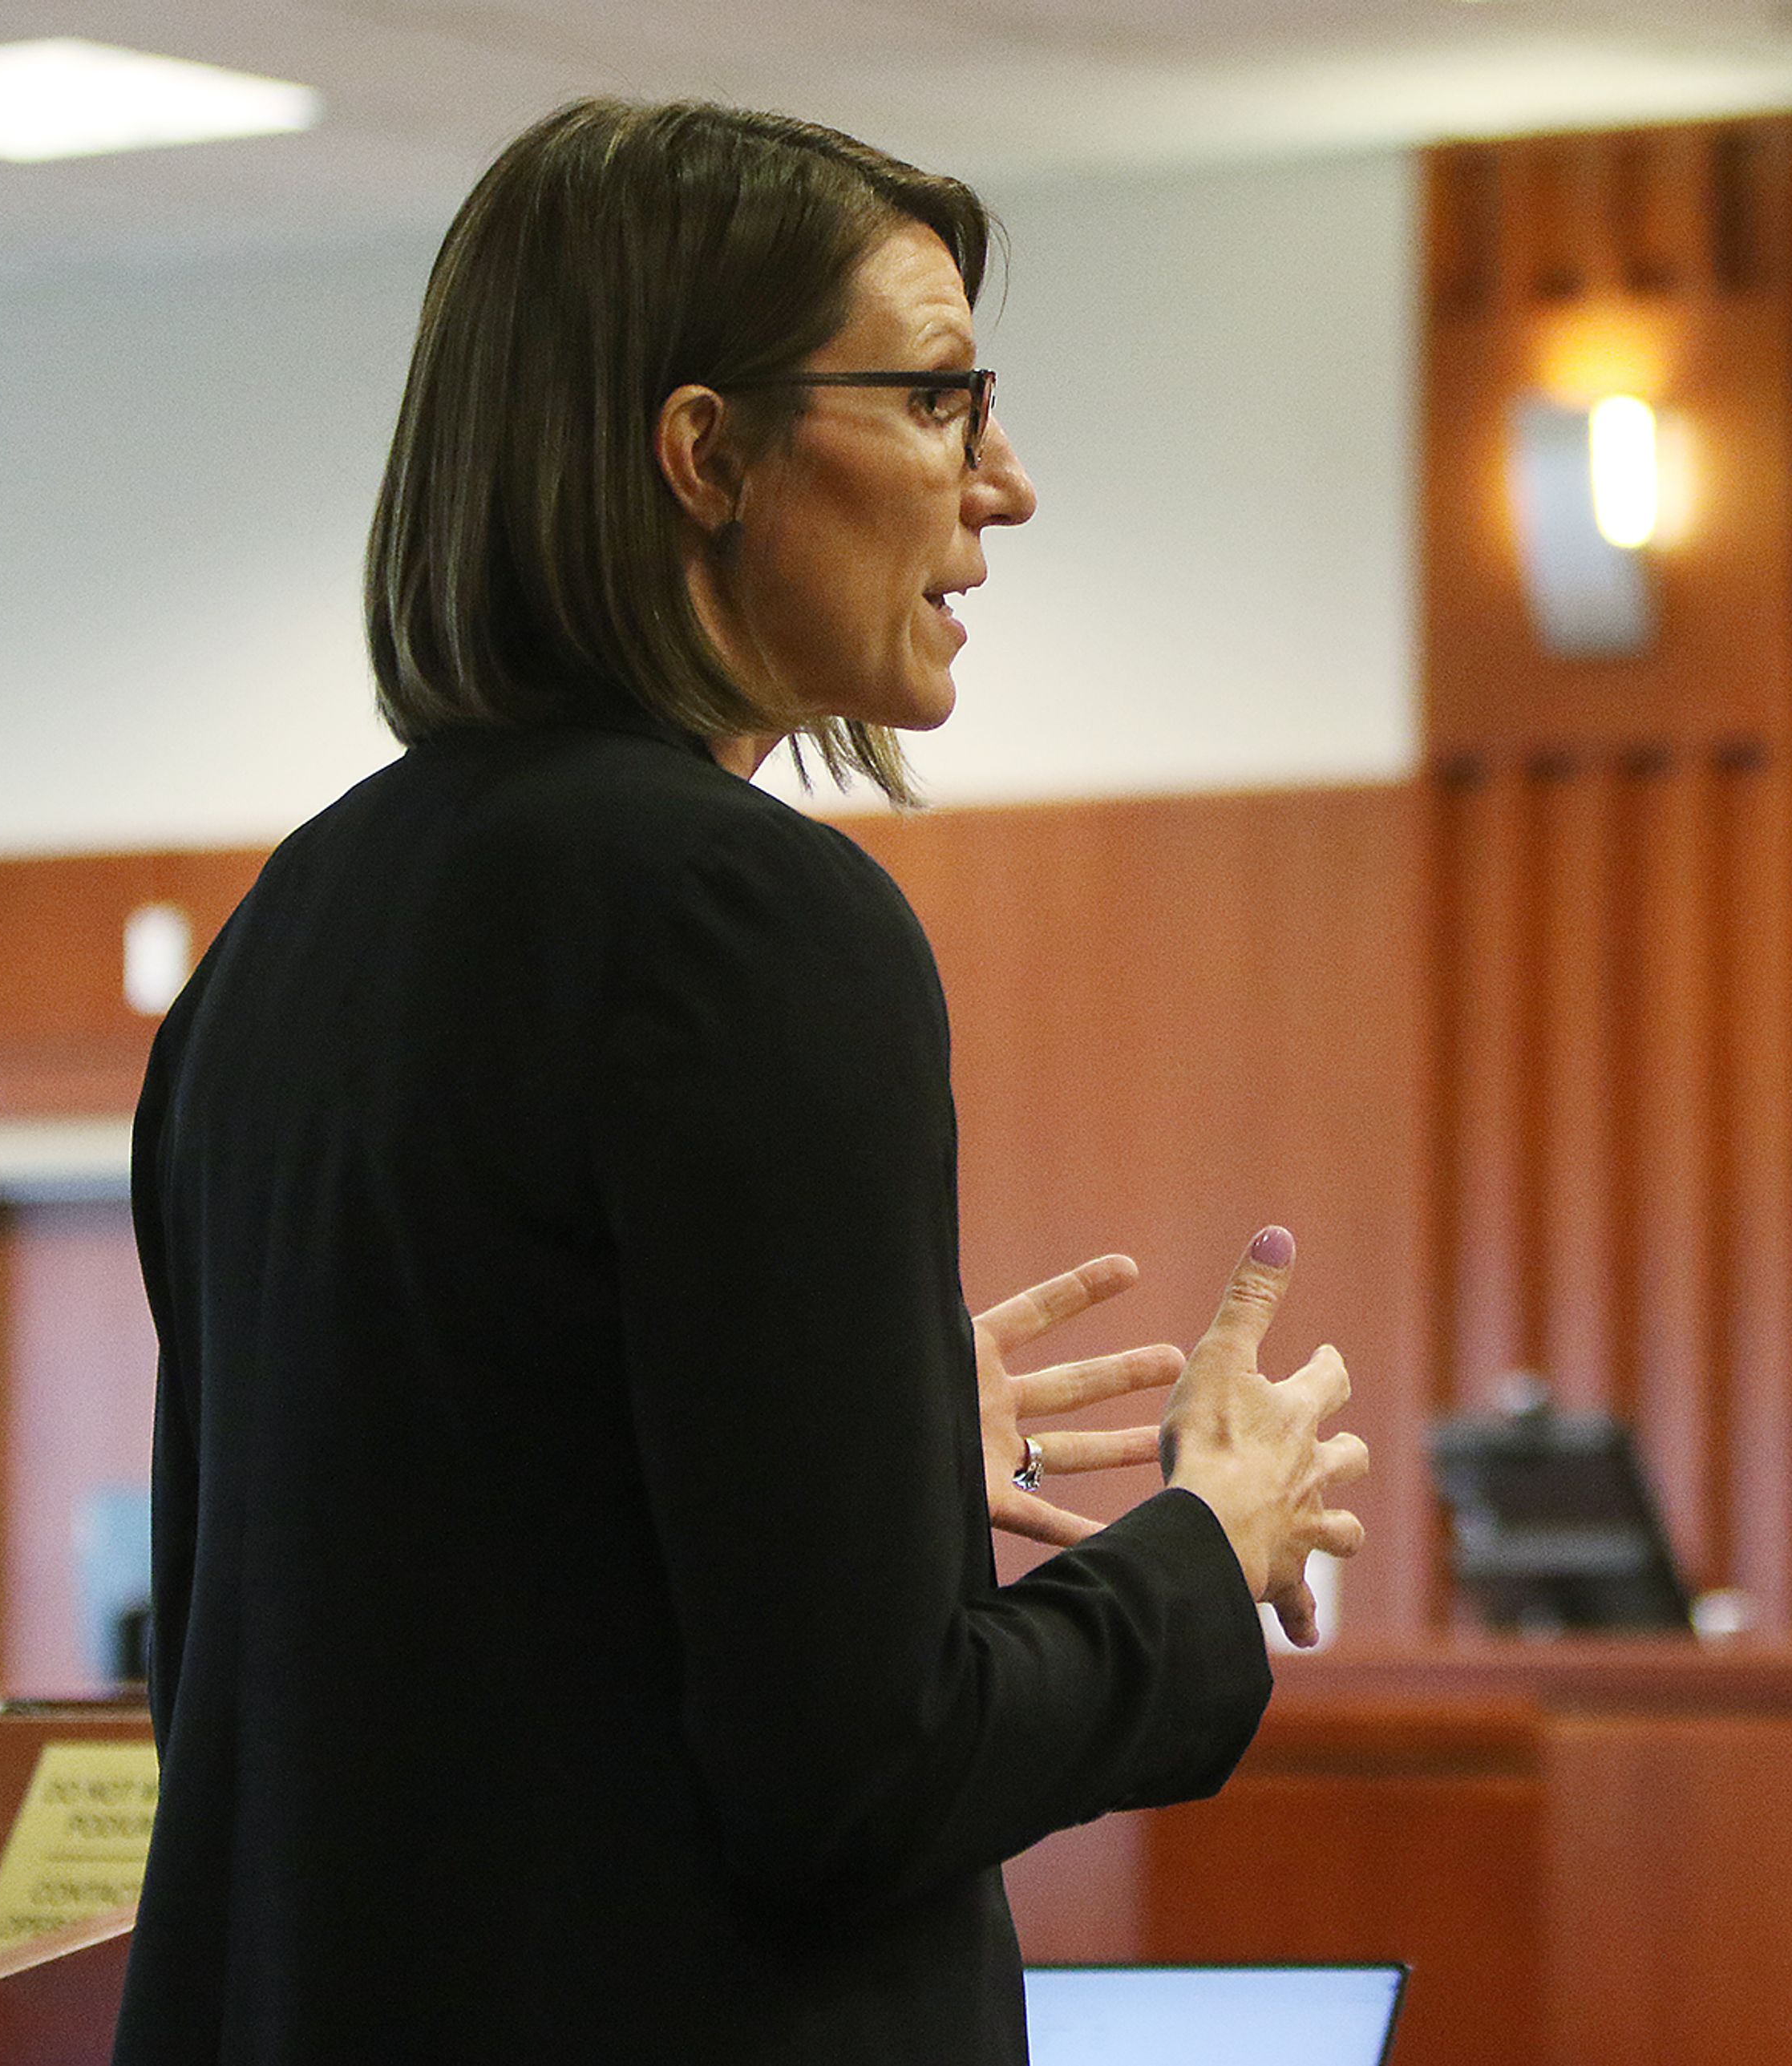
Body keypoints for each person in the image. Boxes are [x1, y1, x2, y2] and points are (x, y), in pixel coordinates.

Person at [112, 99, 1365, 2065]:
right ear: (705, 452)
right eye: (942, 401)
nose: (1003, 485)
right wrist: (1209, 1547)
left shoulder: (282, 934)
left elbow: (370, 1665)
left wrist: (850, 1496)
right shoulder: (750, 922)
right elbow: (857, 1783)